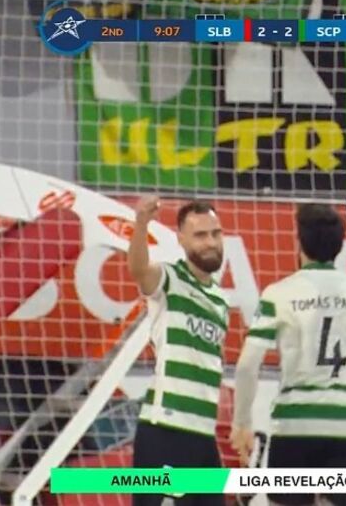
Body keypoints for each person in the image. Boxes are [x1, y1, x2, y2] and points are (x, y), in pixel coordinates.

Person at [230, 203, 346, 506]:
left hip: (295, 426)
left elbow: (246, 366)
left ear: (300, 243)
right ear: (340, 246)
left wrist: (241, 423)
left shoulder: (279, 294)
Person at [127, 197, 229, 506]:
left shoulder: (220, 300)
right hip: (166, 429)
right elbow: (139, 269)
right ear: (181, 239)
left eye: (215, 233)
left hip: (203, 434)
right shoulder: (170, 279)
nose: (210, 242)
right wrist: (141, 223)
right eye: (200, 235)